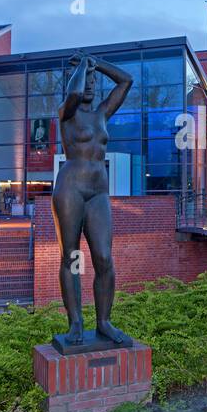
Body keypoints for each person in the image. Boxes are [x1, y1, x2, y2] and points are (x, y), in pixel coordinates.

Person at [52, 51, 133, 346]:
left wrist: (97, 62)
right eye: (85, 79)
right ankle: (75, 323)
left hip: (98, 192)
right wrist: (84, 66)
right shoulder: (66, 111)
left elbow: (126, 81)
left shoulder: (101, 113)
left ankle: (104, 322)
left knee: (104, 258)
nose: (90, 85)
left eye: (93, 81)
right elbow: (74, 92)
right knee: (71, 256)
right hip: (70, 189)